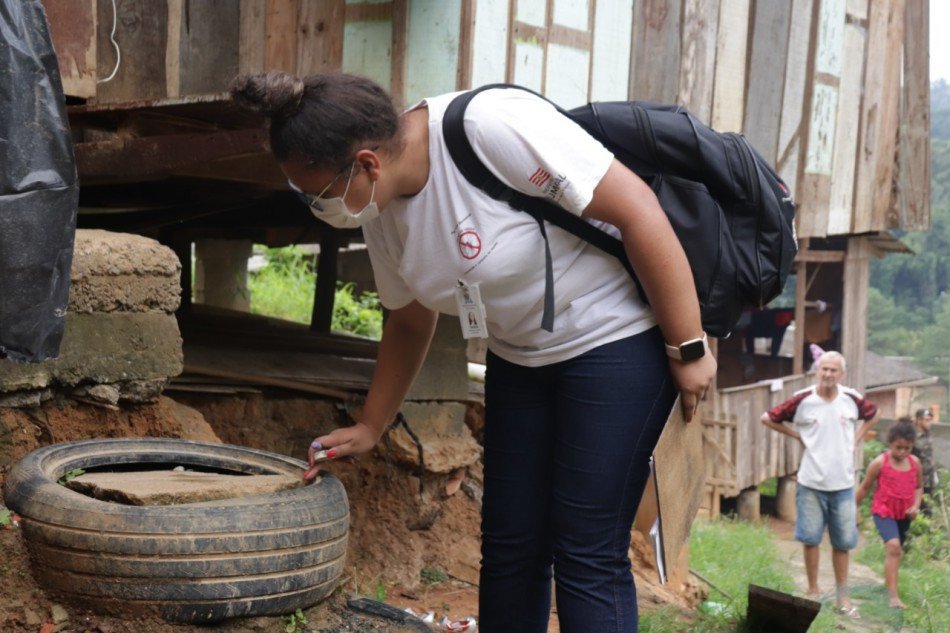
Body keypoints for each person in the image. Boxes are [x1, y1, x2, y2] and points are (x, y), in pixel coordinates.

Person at [230, 71, 716, 632]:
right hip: (520, 355)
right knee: (511, 545)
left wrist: (688, 346)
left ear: (367, 163)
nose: (315, 205)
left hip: (613, 336)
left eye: (315, 192)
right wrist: (371, 423)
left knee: (585, 549)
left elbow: (638, 210)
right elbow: (411, 319)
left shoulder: (488, 129)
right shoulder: (379, 208)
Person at [760, 350, 877, 617]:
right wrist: (797, 434)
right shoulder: (804, 400)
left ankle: (842, 597)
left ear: (841, 374)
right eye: (824, 369)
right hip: (811, 482)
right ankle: (813, 592)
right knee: (811, 539)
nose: (828, 374)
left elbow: (873, 413)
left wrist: (857, 438)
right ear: (817, 370)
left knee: (843, 543)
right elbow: (767, 418)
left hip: (844, 484)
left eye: (833, 370)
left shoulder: (851, 399)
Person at [855, 418, 923, 609]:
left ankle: (888, 585)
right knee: (893, 547)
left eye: (907, 448)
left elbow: (919, 488)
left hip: (904, 515)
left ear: (912, 446)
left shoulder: (915, 463)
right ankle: (893, 597)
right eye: (898, 447)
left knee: (897, 551)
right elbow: (864, 488)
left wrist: (916, 506)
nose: (902, 452)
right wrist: (851, 510)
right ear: (890, 442)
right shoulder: (879, 463)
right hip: (883, 511)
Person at [911, 407, 937, 503]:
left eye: (930, 420)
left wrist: (934, 473)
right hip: (916, 477)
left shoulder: (929, 434)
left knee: (928, 504)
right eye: (926, 420)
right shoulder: (912, 435)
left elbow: (930, 455)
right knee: (916, 503)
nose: (929, 422)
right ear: (918, 420)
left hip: (929, 477)